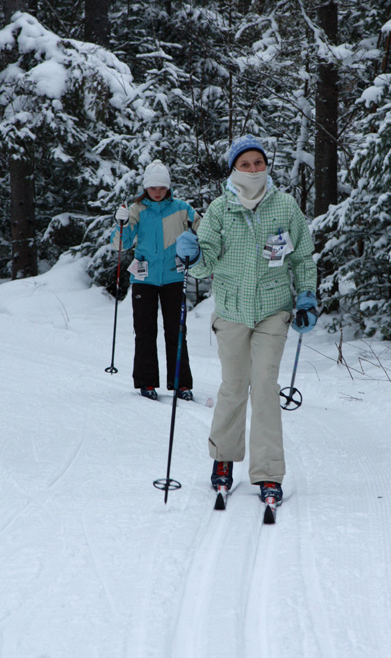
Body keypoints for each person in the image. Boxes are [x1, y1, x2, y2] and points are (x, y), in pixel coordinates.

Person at [175, 135, 318, 504]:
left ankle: (269, 472)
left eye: (258, 163)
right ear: (234, 169)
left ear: (266, 165)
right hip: (232, 311)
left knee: (265, 386)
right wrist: (192, 256)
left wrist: (306, 294)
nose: (253, 169)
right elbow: (205, 262)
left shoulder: (285, 206)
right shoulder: (220, 210)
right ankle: (223, 458)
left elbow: (302, 257)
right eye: (245, 164)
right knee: (234, 386)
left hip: (273, 309)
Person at [112, 160, 201, 401]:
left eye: (162, 187)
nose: (158, 192)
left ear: (168, 187)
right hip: (144, 279)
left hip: (174, 276)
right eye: (153, 188)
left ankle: (181, 384)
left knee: (176, 331)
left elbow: (204, 230)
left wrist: (196, 246)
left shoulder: (182, 208)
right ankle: (146, 382)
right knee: (144, 331)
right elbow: (121, 244)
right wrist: (120, 224)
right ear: (146, 188)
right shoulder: (137, 209)